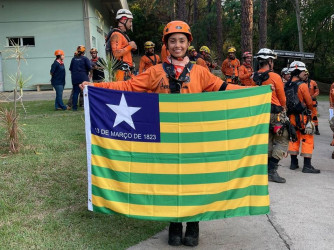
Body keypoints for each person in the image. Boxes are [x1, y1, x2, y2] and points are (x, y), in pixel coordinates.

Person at [81, 20, 253, 247]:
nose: (177, 45)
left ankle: (193, 224)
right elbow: (128, 87)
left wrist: (255, 91)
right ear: (166, 44)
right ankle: (174, 223)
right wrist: (95, 88)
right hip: (165, 138)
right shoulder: (155, 72)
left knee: (194, 180)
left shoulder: (201, 72)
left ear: (188, 43)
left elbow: (224, 89)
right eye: (172, 41)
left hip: (195, 137)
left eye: (182, 40)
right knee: (171, 181)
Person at [254, 48, 288, 183]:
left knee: (266, 141)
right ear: (269, 61)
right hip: (275, 114)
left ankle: (265, 170)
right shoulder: (274, 76)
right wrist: (284, 108)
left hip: (260, 114)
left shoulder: (253, 76)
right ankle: (272, 170)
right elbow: (282, 98)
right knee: (282, 140)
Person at [285, 61, 320, 174]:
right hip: (303, 117)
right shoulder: (302, 85)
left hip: (291, 117)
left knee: (294, 138)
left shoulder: (286, 84)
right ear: (297, 71)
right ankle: (307, 165)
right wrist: (310, 110)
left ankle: (293, 163)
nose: (305, 73)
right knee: (307, 139)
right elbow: (309, 102)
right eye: (303, 71)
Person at [105, 9, 137, 81]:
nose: (131, 24)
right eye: (130, 21)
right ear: (123, 20)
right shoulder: (116, 34)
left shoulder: (123, 35)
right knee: (121, 92)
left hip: (126, 71)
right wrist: (130, 46)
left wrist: (131, 47)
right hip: (120, 73)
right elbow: (116, 53)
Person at [69, 45, 91, 111]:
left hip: (75, 78)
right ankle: (86, 106)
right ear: (83, 52)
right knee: (85, 92)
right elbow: (89, 67)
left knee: (75, 92)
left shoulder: (73, 59)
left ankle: (74, 108)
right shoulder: (85, 59)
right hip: (83, 78)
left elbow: (70, 69)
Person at [305, 70, 320, 135]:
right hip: (304, 102)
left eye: (306, 74)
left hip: (312, 102)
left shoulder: (313, 82)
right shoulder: (300, 83)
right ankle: (305, 128)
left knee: (314, 116)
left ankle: (316, 129)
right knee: (305, 115)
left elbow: (317, 91)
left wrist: (312, 96)